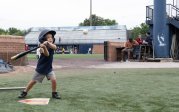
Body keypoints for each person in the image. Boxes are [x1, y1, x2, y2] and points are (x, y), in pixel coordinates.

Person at [18, 29, 61, 99]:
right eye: (48, 37)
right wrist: (43, 47)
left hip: (49, 68)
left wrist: (47, 43)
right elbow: (47, 54)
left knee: (54, 80)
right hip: (41, 68)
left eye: (51, 37)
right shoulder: (41, 48)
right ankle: (24, 92)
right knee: (33, 81)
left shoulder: (52, 46)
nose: (50, 38)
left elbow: (55, 47)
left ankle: (54, 93)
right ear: (43, 39)